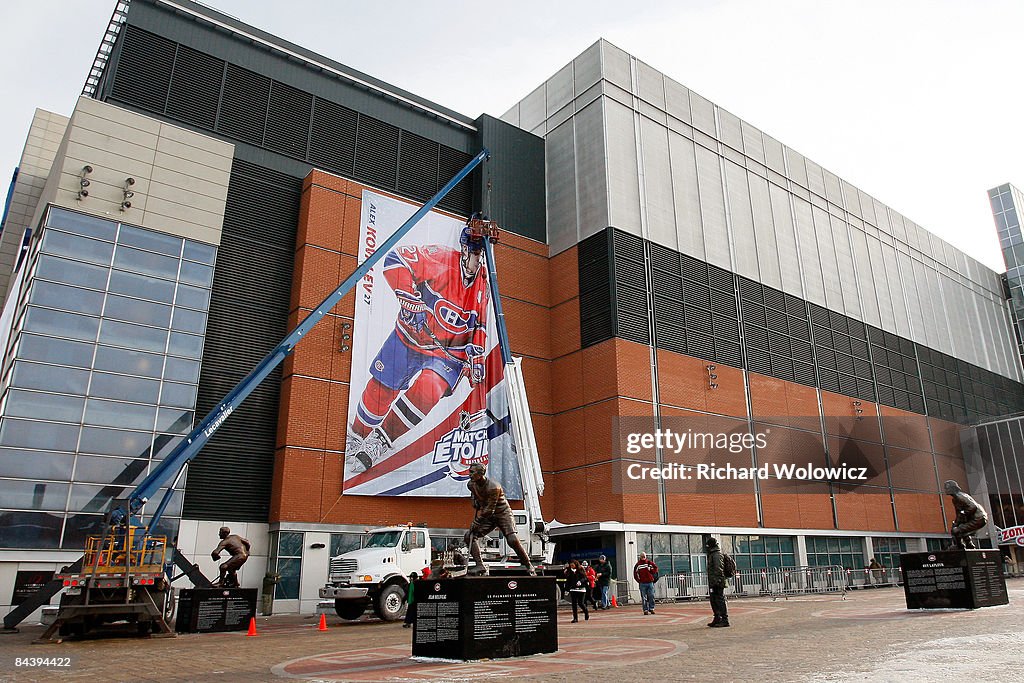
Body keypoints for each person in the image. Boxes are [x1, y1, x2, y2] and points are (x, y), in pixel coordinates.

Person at [346, 220, 490, 474]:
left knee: (430, 389)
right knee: (380, 392)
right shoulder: (440, 258)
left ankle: (380, 441)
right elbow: (395, 259)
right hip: (408, 338)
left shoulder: (485, 284)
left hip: (447, 355)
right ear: (466, 250)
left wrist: (475, 357)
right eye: (478, 254)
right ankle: (357, 435)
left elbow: (479, 324)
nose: (480, 262)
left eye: (484, 256)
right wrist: (409, 298)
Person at [464, 462, 535, 576]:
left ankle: (528, 564)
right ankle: (480, 565)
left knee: (512, 539)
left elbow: (489, 510)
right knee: (469, 536)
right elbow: (474, 496)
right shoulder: (471, 484)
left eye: (472, 472)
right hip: (489, 516)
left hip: (502, 513)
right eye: (469, 471)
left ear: (481, 473)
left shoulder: (493, 487)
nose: (469, 474)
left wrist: (477, 522)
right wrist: (475, 502)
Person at [944, 480, 988, 549]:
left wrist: (964, 513)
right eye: (946, 488)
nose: (946, 490)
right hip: (977, 517)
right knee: (959, 529)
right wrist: (956, 523)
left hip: (978, 518)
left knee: (956, 531)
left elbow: (973, 506)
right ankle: (969, 545)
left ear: (953, 488)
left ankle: (960, 546)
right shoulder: (955, 499)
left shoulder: (959, 496)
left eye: (948, 488)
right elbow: (958, 513)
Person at [705, 537, 729, 627]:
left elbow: (719, 569)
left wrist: (717, 581)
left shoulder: (716, 555)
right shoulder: (712, 554)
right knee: (713, 600)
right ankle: (717, 617)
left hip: (717, 582)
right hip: (714, 582)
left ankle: (724, 619)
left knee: (719, 600)